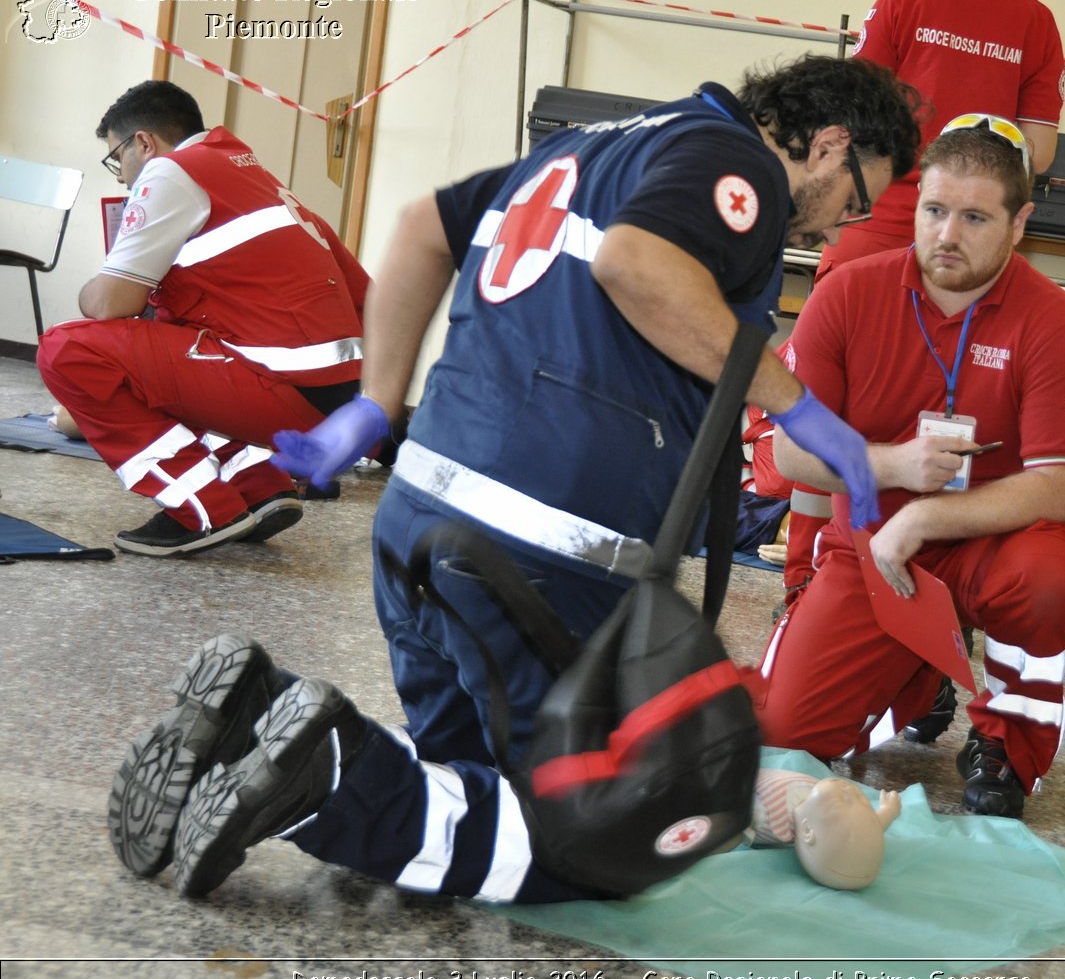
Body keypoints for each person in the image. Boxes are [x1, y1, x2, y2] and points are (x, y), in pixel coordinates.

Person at [106, 54, 922, 904]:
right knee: (602, 839)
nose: (832, 232)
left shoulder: (586, 145)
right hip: (541, 544)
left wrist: (379, 404)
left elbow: (422, 227)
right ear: (829, 146)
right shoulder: (739, 162)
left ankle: (250, 712)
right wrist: (801, 409)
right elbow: (636, 263)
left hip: (420, 513)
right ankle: (325, 773)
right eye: (855, 202)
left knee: (466, 781)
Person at [744, 115, 1065, 819]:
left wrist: (929, 514)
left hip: (992, 547)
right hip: (872, 549)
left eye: (975, 217)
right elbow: (787, 454)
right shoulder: (846, 294)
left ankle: (1009, 741)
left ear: (1019, 222)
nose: (947, 234)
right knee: (784, 735)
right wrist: (891, 464)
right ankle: (920, 674)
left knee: (1049, 579)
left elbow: (1060, 486)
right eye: (935, 211)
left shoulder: (1053, 319)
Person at [781, 0, 1065, 619]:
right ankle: (931, 603)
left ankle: (804, 586)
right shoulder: (1036, 20)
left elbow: (853, 105)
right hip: (971, 239)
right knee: (949, 409)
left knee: (819, 408)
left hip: (880, 219)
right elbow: (1040, 149)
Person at [35, 80, 370, 556]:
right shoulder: (255, 177)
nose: (120, 176)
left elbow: (109, 304)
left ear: (144, 143)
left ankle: (203, 508)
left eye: (117, 158)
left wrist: (96, 285)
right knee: (169, 332)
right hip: (338, 394)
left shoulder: (169, 172)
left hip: (283, 390)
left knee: (66, 348)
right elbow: (363, 291)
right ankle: (260, 487)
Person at [746, 768, 902, 890]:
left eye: (843, 801)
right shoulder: (818, 809)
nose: (850, 790)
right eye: (864, 802)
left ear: (807, 831)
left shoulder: (766, 817)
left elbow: (731, 819)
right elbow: (868, 831)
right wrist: (888, 811)